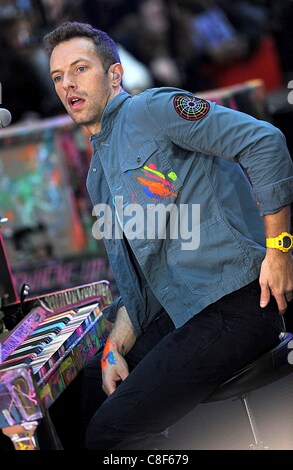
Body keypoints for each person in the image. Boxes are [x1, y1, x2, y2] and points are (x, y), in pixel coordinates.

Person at [43, 21, 293, 450]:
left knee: (110, 433)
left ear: (115, 75)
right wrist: (114, 348)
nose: (69, 84)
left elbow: (265, 142)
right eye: (58, 77)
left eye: (80, 69)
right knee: (81, 392)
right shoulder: (97, 176)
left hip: (236, 301)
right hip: (185, 313)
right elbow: (138, 282)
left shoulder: (153, 110)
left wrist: (280, 249)